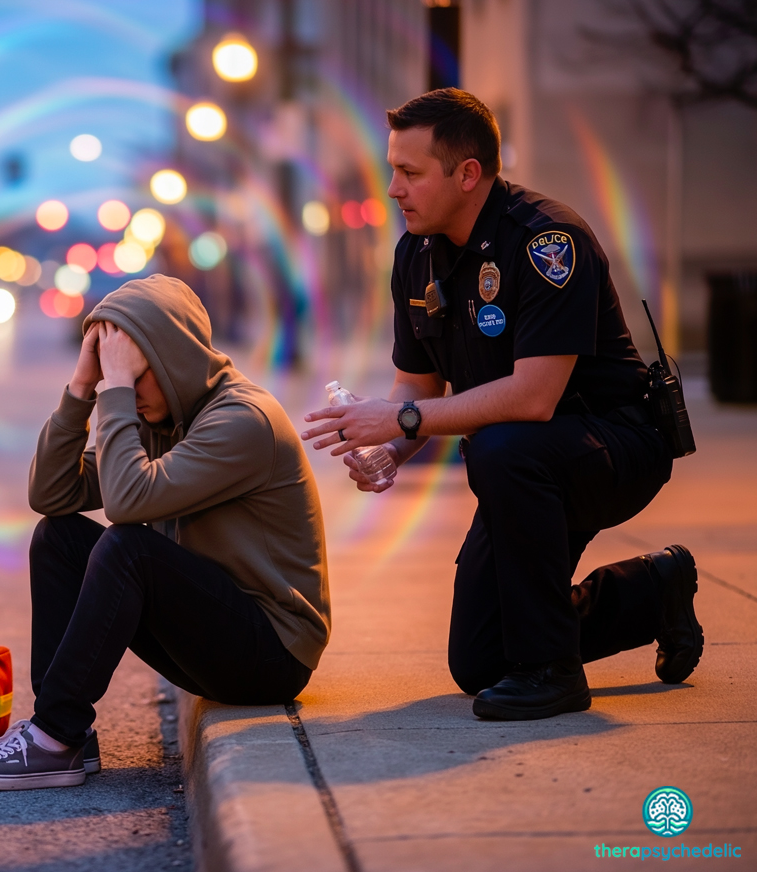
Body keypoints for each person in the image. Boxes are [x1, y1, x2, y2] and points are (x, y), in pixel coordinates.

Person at [301, 89, 702, 721]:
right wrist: (390, 449)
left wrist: (402, 420)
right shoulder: (416, 254)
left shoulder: (546, 241)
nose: (393, 189)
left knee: (502, 446)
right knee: (481, 662)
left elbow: (534, 397)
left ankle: (554, 673)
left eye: (409, 173)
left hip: (615, 446)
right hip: (524, 466)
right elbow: (419, 389)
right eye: (392, 171)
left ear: (467, 174)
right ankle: (654, 592)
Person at [0, 274, 328, 790]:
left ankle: (54, 733)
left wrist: (119, 395)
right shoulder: (160, 418)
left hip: (271, 654)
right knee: (58, 536)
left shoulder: (243, 420)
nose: (118, 387)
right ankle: (62, 735)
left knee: (131, 548)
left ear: (172, 359)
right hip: (213, 632)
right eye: (106, 374)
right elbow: (52, 495)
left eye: (131, 375)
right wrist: (81, 389)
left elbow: (126, 505)